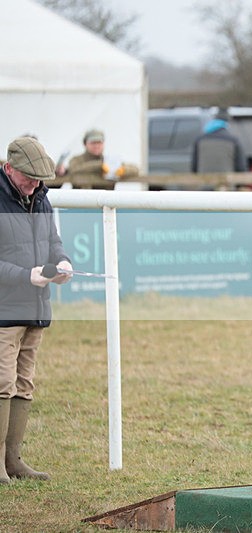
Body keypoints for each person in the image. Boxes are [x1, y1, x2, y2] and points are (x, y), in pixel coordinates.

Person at [0, 137, 73, 483]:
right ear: (9, 168)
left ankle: (13, 460)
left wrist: (62, 262)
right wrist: (24, 275)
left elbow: (53, 242)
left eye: (38, 180)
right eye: (28, 179)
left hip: (36, 308)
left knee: (23, 384)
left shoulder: (42, 198)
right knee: (2, 384)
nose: (34, 186)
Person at [57, 129, 138, 188]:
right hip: (83, 202)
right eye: (93, 143)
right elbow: (73, 169)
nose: (96, 146)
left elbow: (135, 169)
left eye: (99, 143)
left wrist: (123, 170)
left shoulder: (108, 160)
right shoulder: (77, 160)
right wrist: (100, 166)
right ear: (85, 144)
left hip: (106, 203)